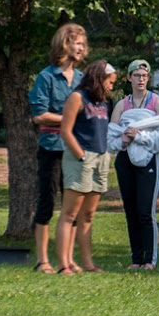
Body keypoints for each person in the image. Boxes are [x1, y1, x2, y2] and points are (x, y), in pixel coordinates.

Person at [28, 23, 87, 274]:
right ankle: (42, 260)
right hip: (51, 148)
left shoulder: (83, 79)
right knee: (47, 203)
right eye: (77, 43)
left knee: (73, 207)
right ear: (64, 44)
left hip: (75, 149)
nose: (82, 48)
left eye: (83, 44)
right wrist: (68, 119)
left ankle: (67, 260)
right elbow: (39, 116)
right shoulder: (46, 77)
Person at [108, 60, 159, 270]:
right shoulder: (121, 105)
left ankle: (149, 260)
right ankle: (136, 259)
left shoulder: (157, 103)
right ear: (129, 78)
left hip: (148, 161)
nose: (141, 79)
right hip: (125, 161)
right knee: (131, 211)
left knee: (145, 211)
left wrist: (140, 136)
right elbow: (111, 140)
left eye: (144, 76)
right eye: (136, 75)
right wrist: (123, 140)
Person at [54, 60, 117, 275]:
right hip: (80, 158)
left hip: (100, 157)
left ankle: (88, 263)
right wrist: (81, 156)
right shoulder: (77, 97)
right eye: (110, 82)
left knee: (88, 215)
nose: (111, 86)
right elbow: (65, 131)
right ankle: (64, 264)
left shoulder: (104, 102)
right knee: (69, 214)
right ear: (99, 78)